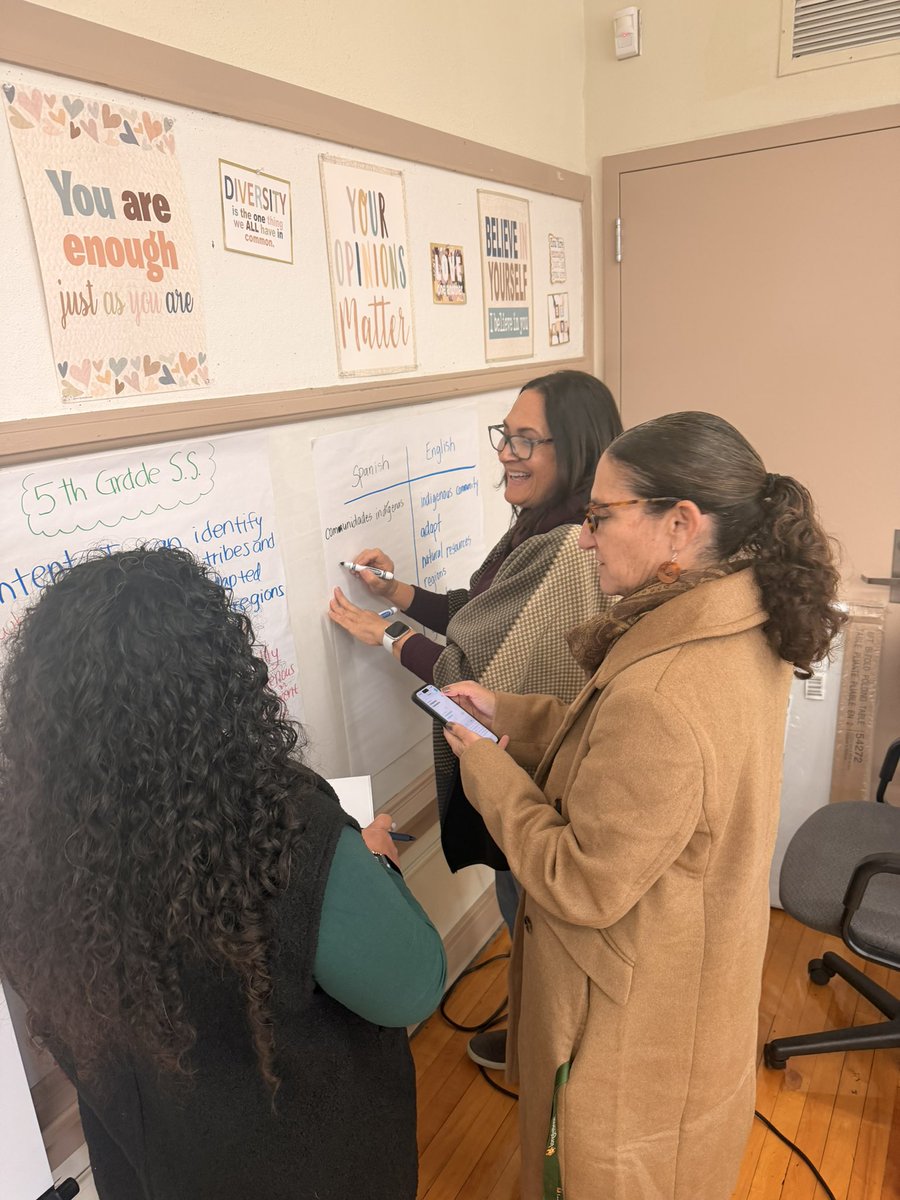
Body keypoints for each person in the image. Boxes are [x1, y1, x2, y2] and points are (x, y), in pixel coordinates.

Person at [441, 411, 845, 1200]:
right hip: (694, 981)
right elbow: (619, 761)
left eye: (600, 517)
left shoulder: (664, 688)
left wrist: (485, 771)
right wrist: (509, 714)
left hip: (627, 1022)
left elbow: (581, 881)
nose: (584, 538)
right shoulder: (733, 618)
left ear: (679, 526)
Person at [0, 546, 446, 1200]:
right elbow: (412, 988)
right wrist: (374, 861)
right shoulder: (283, 833)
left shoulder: (27, 838)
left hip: (153, 1166)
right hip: (302, 1169)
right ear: (221, 680)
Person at [327, 370, 622, 1069]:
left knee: (538, 922)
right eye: (504, 436)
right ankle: (538, 1047)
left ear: (574, 448)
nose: (506, 453)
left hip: (533, 784)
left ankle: (556, 1066)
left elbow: (487, 679)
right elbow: (483, 617)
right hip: (521, 777)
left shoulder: (564, 549)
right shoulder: (544, 525)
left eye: (527, 439)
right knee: (526, 920)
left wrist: (390, 637)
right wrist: (397, 593)